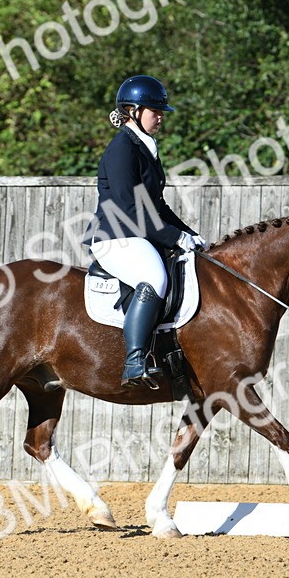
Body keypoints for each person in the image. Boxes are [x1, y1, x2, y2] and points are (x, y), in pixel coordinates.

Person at [83, 75, 208, 388]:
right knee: (155, 278)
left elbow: (157, 206)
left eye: (161, 110)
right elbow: (130, 209)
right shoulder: (122, 150)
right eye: (155, 110)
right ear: (133, 110)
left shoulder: (145, 148)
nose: (161, 115)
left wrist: (189, 235)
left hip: (136, 234)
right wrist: (173, 238)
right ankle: (135, 360)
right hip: (115, 236)